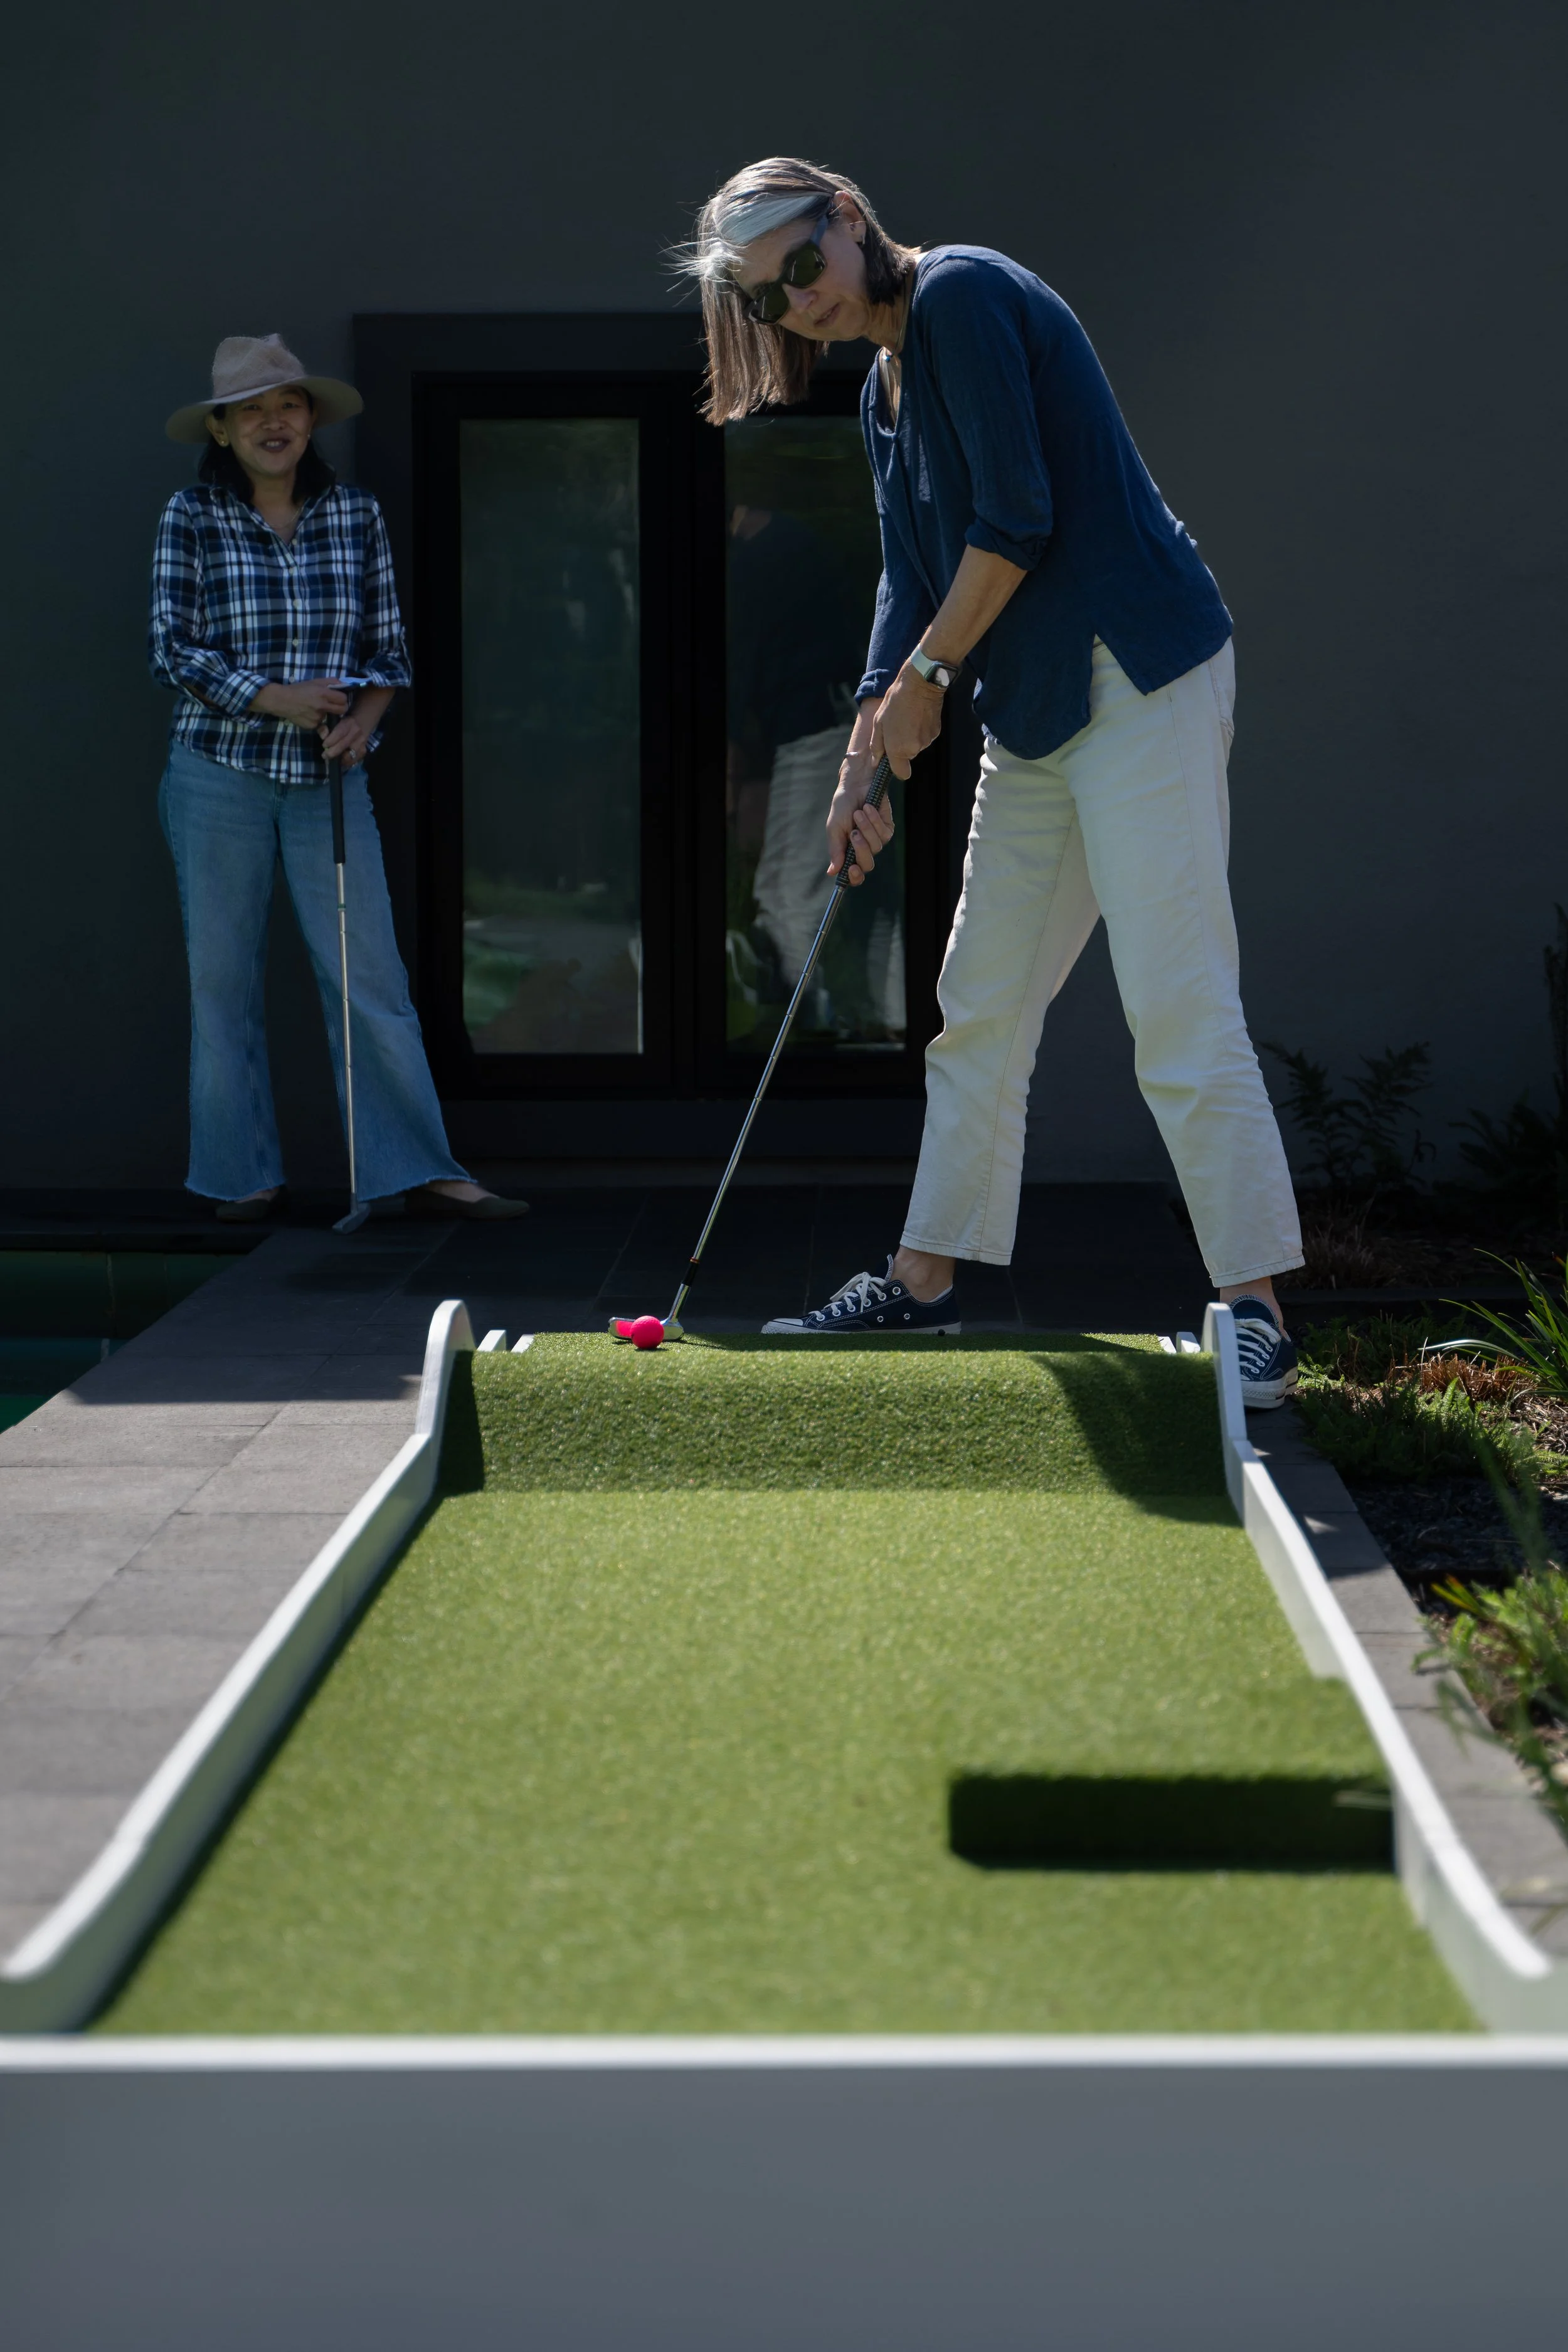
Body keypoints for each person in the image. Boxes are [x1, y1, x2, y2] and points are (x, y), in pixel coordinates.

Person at [682, 161, 1303, 1404]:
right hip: (1034, 711)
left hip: (1136, 672)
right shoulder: (880, 393)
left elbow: (1012, 523)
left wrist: (921, 683)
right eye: (762, 299)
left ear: (847, 221)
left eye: (800, 265)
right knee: (977, 1004)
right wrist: (867, 738)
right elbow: (906, 579)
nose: (793, 302)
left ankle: (1258, 1316)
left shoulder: (960, 296)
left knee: (1174, 1000)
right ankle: (921, 1279)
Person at [151, 336, 527, 1223]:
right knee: (223, 985)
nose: (272, 421)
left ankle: (415, 1170)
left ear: (310, 416)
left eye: (287, 404)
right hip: (217, 776)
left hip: (327, 784)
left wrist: (365, 720)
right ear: (222, 429)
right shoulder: (192, 516)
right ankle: (242, 1179)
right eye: (252, 410)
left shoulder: (353, 515)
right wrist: (276, 697)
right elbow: (172, 649)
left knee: (370, 980)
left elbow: (388, 654)